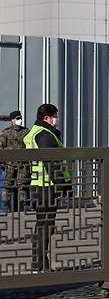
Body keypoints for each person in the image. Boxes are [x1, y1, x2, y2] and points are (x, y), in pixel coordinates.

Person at [23, 104, 69, 271]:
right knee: (45, 226)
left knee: (42, 225)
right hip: (47, 186)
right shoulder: (44, 134)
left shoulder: (36, 132)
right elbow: (52, 162)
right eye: (54, 116)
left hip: (39, 184)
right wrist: (62, 186)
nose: (56, 119)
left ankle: (40, 263)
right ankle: (41, 264)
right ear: (46, 118)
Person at [0, 110, 29, 211]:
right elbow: (1, 148)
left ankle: (22, 208)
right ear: (12, 120)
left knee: (23, 186)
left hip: (22, 165)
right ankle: (6, 207)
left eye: (20, 118)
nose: (20, 120)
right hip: (10, 165)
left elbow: (30, 147)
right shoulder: (5, 132)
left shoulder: (26, 131)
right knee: (7, 186)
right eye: (17, 118)